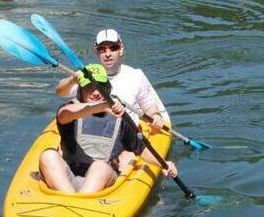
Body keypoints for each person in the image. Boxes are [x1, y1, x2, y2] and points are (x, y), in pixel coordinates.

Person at [39, 64, 178, 193]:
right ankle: (69, 201)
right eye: (89, 87)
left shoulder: (120, 117)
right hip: (67, 181)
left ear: (107, 89)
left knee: (99, 167)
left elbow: (140, 148)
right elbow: (64, 114)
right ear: (81, 91)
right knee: (48, 156)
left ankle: (82, 203)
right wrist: (102, 106)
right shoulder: (71, 110)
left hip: (101, 183)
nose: (95, 92)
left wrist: (164, 164)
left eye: (99, 87)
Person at [55, 28, 166, 132]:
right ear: (96, 52)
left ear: (121, 49)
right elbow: (60, 92)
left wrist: (156, 116)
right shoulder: (87, 75)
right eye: (102, 49)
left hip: (125, 135)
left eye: (113, 48)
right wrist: (71, 81)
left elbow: (149, 106)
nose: (108, 54)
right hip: (92, 134)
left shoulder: (135, 75)